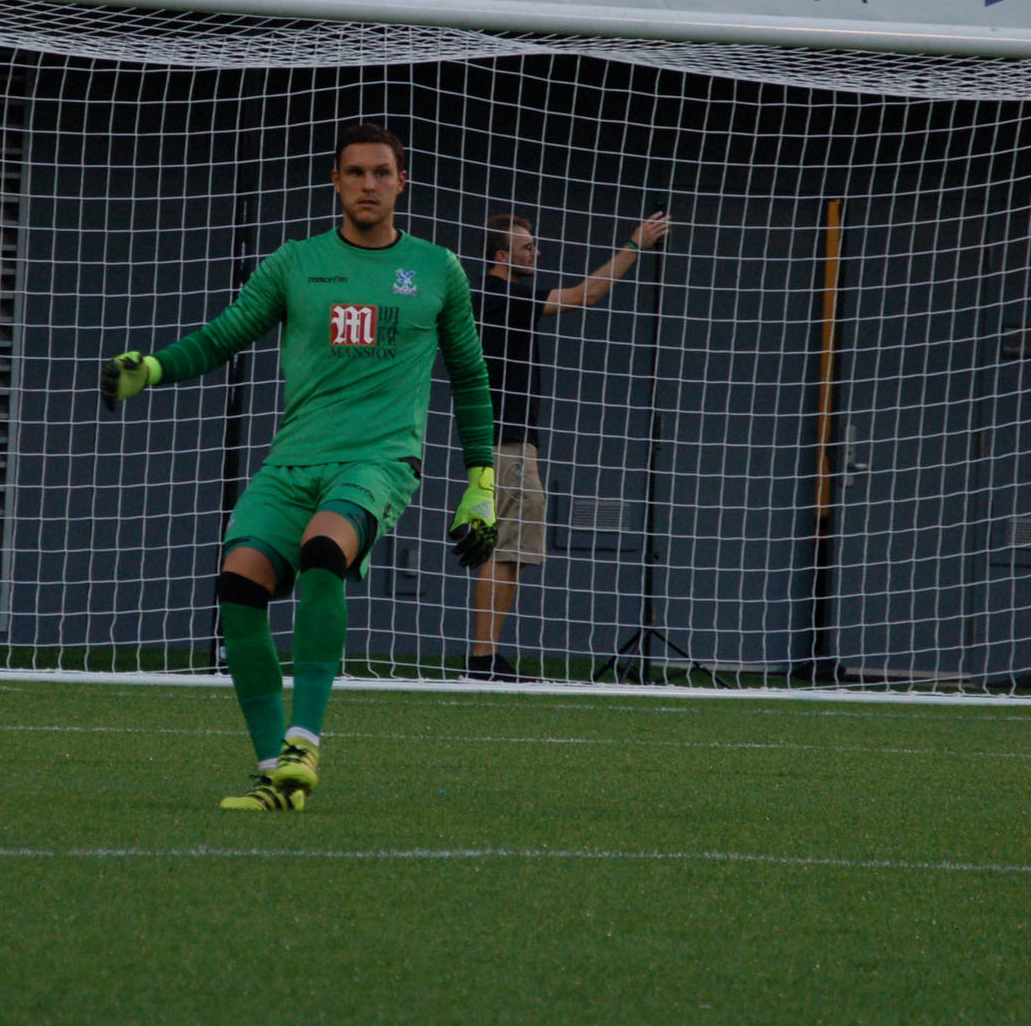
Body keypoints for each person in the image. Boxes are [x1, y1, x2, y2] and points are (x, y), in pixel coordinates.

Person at [100, 123, 497, 811]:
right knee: (237, 585)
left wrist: (482, 483)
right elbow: (226, 335)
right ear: (335, 182)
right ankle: (273, 776)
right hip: (293, 460)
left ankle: (303, 740)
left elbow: (469, 374)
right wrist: (157, 367)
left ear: (402, 182)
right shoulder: (295, 263)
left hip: (379, 458)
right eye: (355, 173)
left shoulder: (437, 269)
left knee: (323, 549)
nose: (368, 184)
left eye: (381, 172)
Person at [466, 208, 672, 680]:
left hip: (516, 443)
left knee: (514, 552)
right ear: (501, 256)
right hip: (506, 443)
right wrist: (635, 245)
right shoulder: (499, 295)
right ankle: (480, 661)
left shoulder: (503, 296)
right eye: (526, 247)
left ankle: (488, 657)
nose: (536, 252)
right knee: (501, 550)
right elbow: (587, 294)